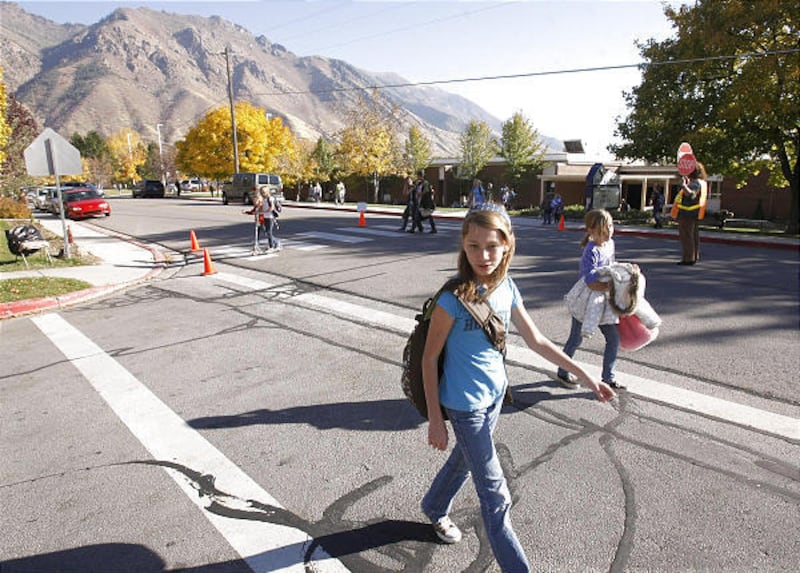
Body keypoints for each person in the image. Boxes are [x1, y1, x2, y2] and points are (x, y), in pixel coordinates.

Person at [421, 203, 615, 571]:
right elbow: (429, 360)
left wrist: (589, 377)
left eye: (492, 245)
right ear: (463, 245)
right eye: (474, 246)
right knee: (496, 497)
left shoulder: (507, 287)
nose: (483, 254)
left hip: (495, 398)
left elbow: (538, 341)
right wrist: (435, 418)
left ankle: (433, 506)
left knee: (465, 460)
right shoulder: (452, 299)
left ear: (507, 245)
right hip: (465, 408)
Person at [556, 209, 625, 391]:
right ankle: (563, 371)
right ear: (592, 231)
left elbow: (612, 266)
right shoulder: (591, 251)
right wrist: (608, 287)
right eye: (603, 229)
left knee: (613, 338)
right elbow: (590, 281)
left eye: (610, 225)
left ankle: (608, 378)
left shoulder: (610, 244)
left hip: (605, 300)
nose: (609, 231)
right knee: (576, 339)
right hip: (588, 302)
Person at [671, 163, 707, 265]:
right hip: (694, 213)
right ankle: (694, 256)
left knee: (686, 236)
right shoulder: (701, 182)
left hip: (687, 213)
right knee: (693, 236)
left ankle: (688, 259)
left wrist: (683, 185)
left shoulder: (694, 183)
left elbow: (691, 195)